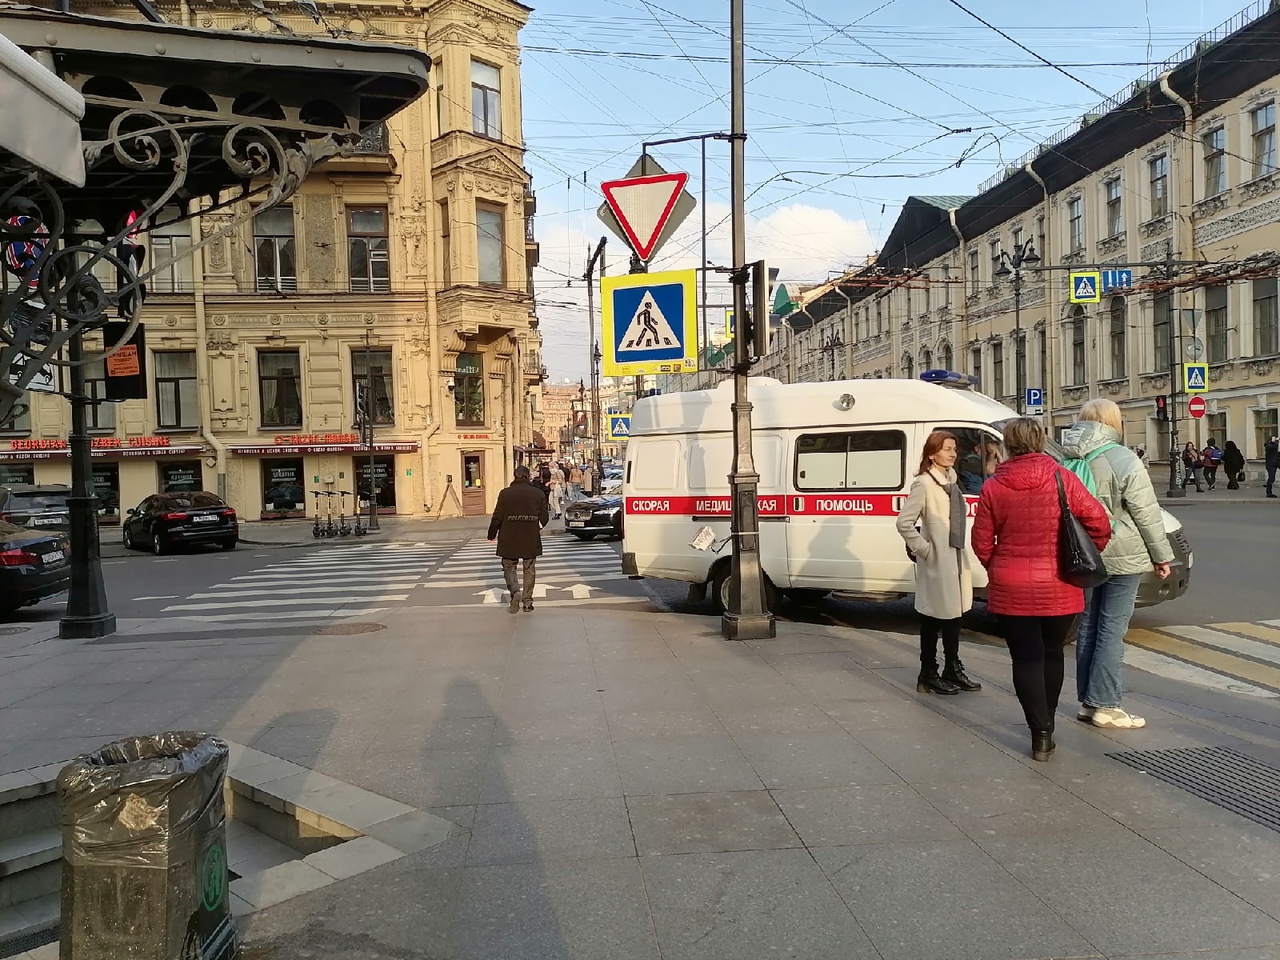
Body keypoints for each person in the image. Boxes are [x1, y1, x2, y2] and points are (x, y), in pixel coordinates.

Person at [972, 418, 1111, 762]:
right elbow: (1099, 523)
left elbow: (980, 541)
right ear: (1040, 441)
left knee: (1025, 658)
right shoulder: (1064, 477)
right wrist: (1080, 555)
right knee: (1052, 653)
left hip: (1011, 584)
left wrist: (997, 566)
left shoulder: (993, 485)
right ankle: (1048, 720)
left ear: (1007, 444)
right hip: (1061, 583)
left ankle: (1040, 732)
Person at [1062, 399, 1173, 731]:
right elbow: (1146, 513)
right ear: (1113, 423)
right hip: (1123, 555)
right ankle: (1106, 706)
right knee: (1111, 630)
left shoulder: (1065, 459)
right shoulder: (1124, 459)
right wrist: (1161, 556)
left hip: (1083, 554)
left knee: (1088, 626)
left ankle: (1088, 702)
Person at [895, 429, 979, 696]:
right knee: (932, 616)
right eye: (946, 449)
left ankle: (952, 667)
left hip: (955, 557)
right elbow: (904, 523)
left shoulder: (952, 481)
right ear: (932, 454)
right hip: (938, 561)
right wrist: (925, 550)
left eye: (954, 449)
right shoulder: (924, 483)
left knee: (954, 615)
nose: (952, 453)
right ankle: (928, 672)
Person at [487, 464, 550, 614]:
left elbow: (497, 516)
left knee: (508, 566)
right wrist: (536, 527)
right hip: (530, 535)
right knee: (529, 568)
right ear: (528, 476)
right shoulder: (538, 493)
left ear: (514, 477)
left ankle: (515, 591)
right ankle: (527, 602)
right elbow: (544, 517)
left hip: (509, 536)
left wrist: (491, 534)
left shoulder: (505, 493)